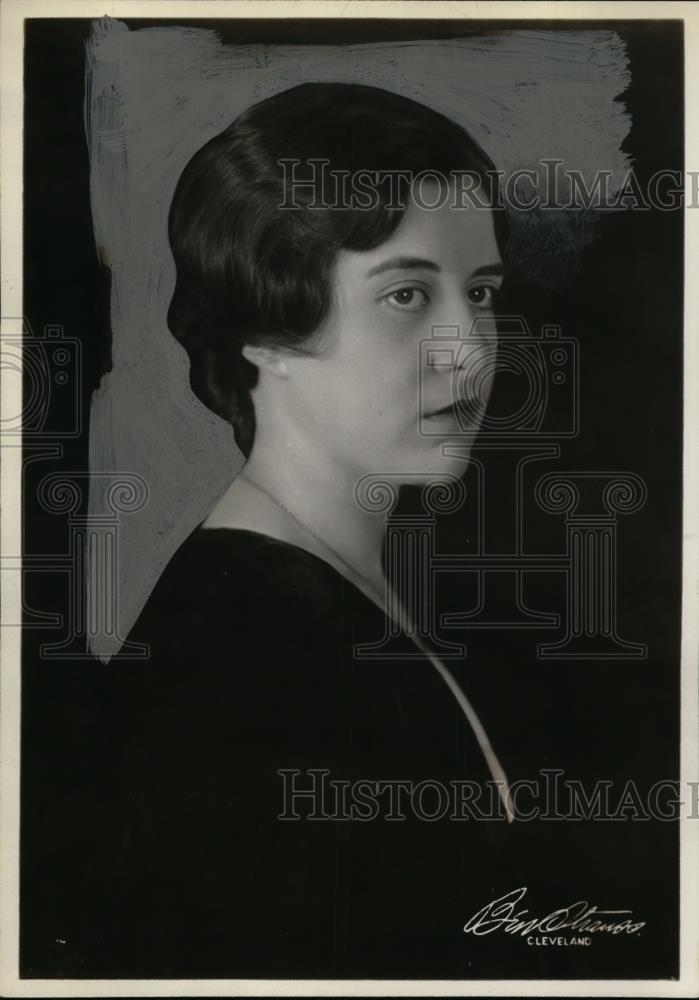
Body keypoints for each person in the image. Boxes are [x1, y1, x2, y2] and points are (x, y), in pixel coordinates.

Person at [51, 83, 552, 979]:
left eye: (479, 292)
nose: (471, 346)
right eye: (406, 294)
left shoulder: (339, 590)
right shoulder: (239, 653)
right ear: (266, 328)